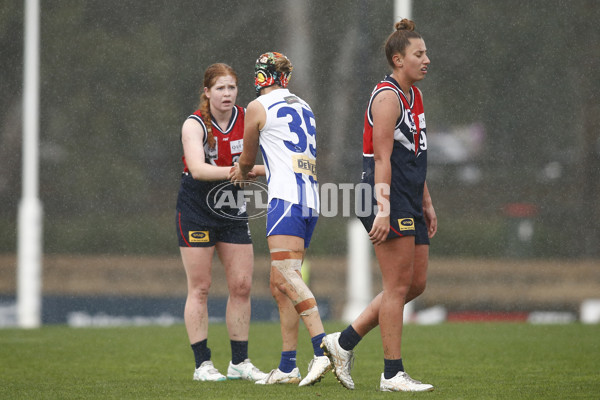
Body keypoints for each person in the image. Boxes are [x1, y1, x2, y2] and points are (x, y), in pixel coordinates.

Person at [321, 19, 437, 392]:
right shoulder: (387, 98)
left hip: (408, 197)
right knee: (397, 287)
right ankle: (391, 373)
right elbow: (382, 160)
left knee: (413, 284)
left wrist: (427, 202)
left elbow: (415, 154)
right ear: (398, 59)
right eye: (419, 54)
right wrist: (383, 210)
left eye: (425, 53)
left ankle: (342, 343)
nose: (426, 60)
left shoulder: (414, 95)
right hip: (382, 197)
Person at [230, 52, 332, 386]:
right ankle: (288, 367)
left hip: (285, 201)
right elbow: (288, 159)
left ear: (260, 76)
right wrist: (257, 169)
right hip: (310, 201)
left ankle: (324, 349)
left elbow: (246, 158)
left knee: (287, 277)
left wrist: (242, 172)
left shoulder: (256, 108)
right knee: (279, 285)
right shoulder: (304, 106)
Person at [175, 63, 267, 382]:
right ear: (207, 92)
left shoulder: (249, 118)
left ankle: (239, 362)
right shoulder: (195, 124)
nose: (227, 94)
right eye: (220, 89)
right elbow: (198, 170)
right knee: (200, 287)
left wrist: (260, 170)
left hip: (231, 207)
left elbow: (269, 164)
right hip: (196, 209)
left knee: (241, 285)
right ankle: (203, 365)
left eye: (231, 88)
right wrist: (239, 171)